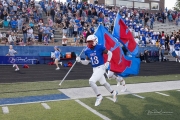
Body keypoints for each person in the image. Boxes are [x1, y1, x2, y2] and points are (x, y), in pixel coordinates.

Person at [76, 35, 118, 106]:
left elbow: (110, 53)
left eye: (90, 42)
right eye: (88, 42)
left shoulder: (99, 47)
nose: (89, 43)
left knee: (91, 81)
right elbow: (86, 62)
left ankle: (99, 96)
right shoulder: (87, 50)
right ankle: (113, 92)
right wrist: (80, 61)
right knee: (103, 83)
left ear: (95, 41)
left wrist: (108, 62)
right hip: (94, 69)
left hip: (101, 67)